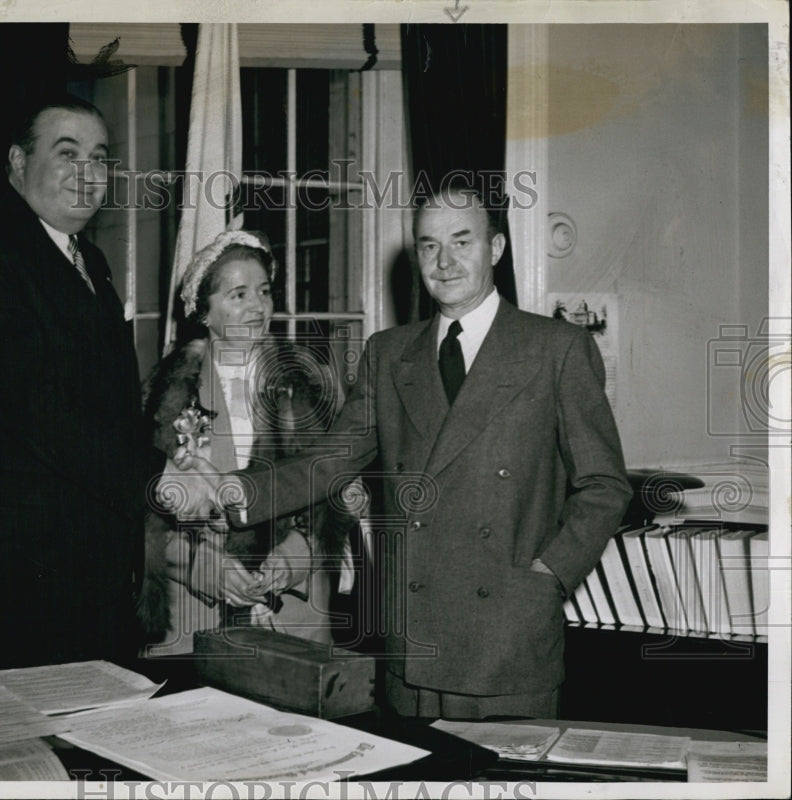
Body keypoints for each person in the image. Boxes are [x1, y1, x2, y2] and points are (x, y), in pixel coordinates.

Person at [183, 188, 632, 718]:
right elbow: (331, 460)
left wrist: (550, 574)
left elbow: (605, 486)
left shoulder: (555, 349)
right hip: (409, 637)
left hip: (506, 636)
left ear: (497, 248)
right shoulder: (389, 353)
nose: (443, 262)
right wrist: (236, 492)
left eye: (461, 242)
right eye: (428, 247)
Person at [0, 94, 147, 676]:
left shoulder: (90, 261)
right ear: (19, 163)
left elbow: (110, 407)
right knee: (24, 763)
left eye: (100, 159)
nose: (87, 174)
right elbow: (38, 408)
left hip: (92, 576)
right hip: (14, 582)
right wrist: (161, 479)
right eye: (67, 154)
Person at [138, 230, 356, 655]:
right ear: (204, 310)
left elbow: (338, 498)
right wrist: (205, 568)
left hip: (294, 618)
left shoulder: (309, 387)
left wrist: (291, 561)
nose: (257, 307)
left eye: (264, 291)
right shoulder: (165, 392)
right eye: (238, 295)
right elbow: (141, 518)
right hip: (195, 623)